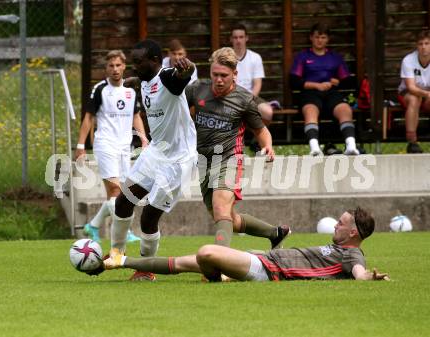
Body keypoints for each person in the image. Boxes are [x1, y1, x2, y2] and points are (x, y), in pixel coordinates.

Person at [109, 39, 198, 281]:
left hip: (178, 159)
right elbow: (143, 80)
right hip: (157, 151)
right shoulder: (145, 80)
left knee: (149, 216)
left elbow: (181, 78)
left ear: (156, 61)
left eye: (139, 62)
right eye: (133, 62)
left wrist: (186, 69)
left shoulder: (169, 77)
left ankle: (145, 269)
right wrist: (134, 80)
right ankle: (115, 255)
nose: (133, 66)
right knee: (123, 201)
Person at [103, 207, 390, 282]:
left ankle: (217, 275)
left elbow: (359, 273)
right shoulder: (341, 248)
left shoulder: (353, 256)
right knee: (184, 261)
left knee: (207, 252)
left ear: (354, 232)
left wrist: (369, 277)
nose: (336, 225)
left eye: (341, 223)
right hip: (265, 258)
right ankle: (119, 262)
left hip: (269, 271)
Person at [185, 47, 288, 250]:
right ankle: (274, 234)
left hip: (229, 159)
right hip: (203, 160)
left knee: (221, 206)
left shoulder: (244, 99)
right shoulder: (196, 89)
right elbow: (177, 109)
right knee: (225, 216)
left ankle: (221, 260)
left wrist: (268, 146)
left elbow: (261, 130)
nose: (219, 80)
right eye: (215, 74)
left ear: (235, 74)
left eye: (224, 75)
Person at [75, 50, 148, 243]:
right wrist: (81, 145)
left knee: (121, 194)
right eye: (111, 65)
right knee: (116, 191)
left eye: (118, 65)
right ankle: (124, 232)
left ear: (124, 66)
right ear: (106, 68)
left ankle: (93, 225)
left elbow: (135, 116)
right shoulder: (100, 89)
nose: (115, 69)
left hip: (125, 147)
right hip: (105, 145)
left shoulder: (131, 90)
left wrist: (144, 140)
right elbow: (89, 117)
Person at [290, 23, 359, 156]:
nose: (319, 40)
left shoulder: (335, 57)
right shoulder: (303, 57)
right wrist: (316, 85)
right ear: (311, 38)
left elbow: (349, 81)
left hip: (331, 93)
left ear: (327, 39)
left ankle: (351, 146)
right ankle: (315, 148)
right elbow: (294, 81)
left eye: (323, 37)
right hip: (309, 93)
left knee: (345, 109)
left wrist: (338, 82)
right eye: (317, 37)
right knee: (310, 111)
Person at [230, 24, 273, 125]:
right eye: (235, 37)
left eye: (241, 37)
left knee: (268, 112)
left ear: (246, 38)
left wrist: (248, 101)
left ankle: (255, 137)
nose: (238, 40)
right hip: (230, 97)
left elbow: (257, 84)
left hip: (250, 97)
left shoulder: (255, 57)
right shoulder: (226, 57)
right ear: (231, 39)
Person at [398, 30, 430, 153]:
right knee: (414, 99)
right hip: (408, 93)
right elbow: (410, 87)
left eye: (427, 43)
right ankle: (412, 141)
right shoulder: (408, 60)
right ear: (417, 46)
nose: (424, 47)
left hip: (427, 95)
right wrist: (427, 94)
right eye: (420, 44)